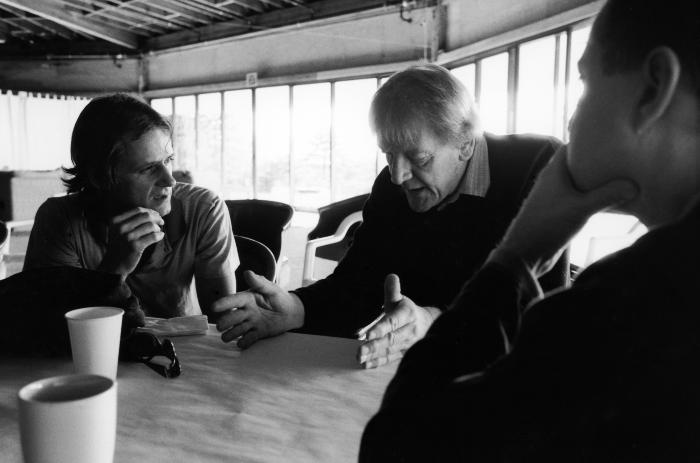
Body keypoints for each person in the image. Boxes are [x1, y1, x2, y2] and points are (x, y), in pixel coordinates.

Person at [360, 0, 700, 459]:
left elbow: (396, 446)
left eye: (585, 83)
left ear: (654, 88)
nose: (572, 120)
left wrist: (514, 257)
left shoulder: (639, 303)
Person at [213, 64, 568, 367]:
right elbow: (357, 284)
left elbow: (540, 315)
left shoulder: (536, 168)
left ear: (466, 144)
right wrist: (295, 308)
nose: (398, 176)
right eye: (388, 155)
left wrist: (432, 322)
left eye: (419, 158)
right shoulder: (392, 186)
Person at [24, 93, 238, 318]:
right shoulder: (60, 220)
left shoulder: (204, 208)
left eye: (168, 160)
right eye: (148, 168)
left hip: (185, 349)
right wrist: (114, 270)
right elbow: (49, 326)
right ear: (99, 177)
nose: (170, 180)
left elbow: (223, 320)